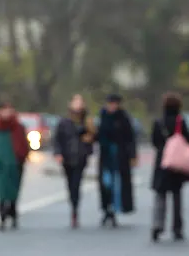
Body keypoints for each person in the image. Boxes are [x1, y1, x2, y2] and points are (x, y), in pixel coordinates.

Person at [150, 91, 189, 242]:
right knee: (177, 197)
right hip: (177, 164)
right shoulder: (180, 122)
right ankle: (177, 228)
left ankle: (158, 225)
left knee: (160, 195)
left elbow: (154, 142)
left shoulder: (158, 122)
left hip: (162, 163)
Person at [53, 94, 97, 228]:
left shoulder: (87, 120)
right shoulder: (64, 121)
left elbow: (94, 136)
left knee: (77, 184)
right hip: (67, 157)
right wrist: (58, 153)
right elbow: (58, 139)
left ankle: (75, 209)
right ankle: (73, 202)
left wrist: (88, 145)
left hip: (80, 156)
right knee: (70, 184)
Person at [97, 93, 137, 227]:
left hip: (120, 155)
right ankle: (106, 209)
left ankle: (113, 210)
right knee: (105, 183)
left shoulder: (123, 118)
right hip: (106, 156)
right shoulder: (103, 117)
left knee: (117, 185)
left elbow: (130, 137)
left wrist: (132, 155)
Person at [0, 102, 30, 231]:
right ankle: (2, 216)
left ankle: (13, 212)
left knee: (14, 190)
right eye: (3, 110)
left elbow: (24, 145)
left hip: (15, 163)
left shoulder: (18, 127)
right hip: (2, 164)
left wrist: (22, 156)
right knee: (2, 191)